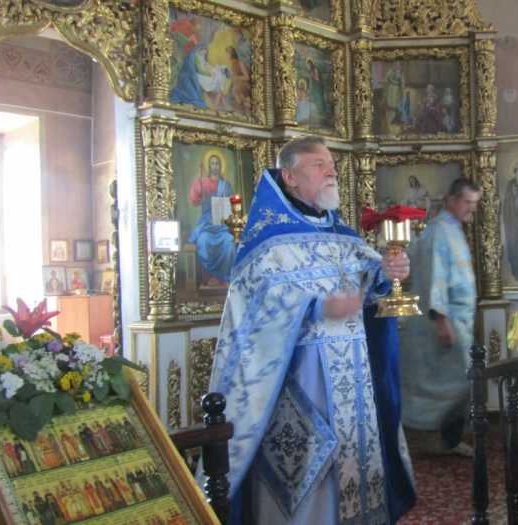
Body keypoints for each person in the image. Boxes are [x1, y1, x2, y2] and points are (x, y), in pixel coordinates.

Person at [201, 136, 416, 524]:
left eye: (332, 164)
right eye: (319, 165)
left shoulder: (342, 236)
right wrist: (316, 307)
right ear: (290, 177)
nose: (332, 171)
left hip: (354, 390)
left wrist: (390, 272)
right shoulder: (267, 244)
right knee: (309, 483)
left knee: (357, 469)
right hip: (299, 391)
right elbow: (255, 311)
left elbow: (374, 282)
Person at [400, 177, 481, 456]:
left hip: (459, 321)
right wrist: (441, 320)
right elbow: (436, 278)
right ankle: (424, 438)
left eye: (475, 203)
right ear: (452, 200)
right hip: (445, 323)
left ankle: (447, 439)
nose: (472, 209)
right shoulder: (438, 232)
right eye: (468, 202)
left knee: (461, 381)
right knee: (450, 383)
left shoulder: (453, 229)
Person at [188, 154, 236, 284]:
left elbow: (232, 205)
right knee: (203, 240)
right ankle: (210, 277)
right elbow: (194, 201)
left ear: (220, 166)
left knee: (229, 241)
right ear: (209, 166)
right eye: (212, 163)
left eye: (217, 163)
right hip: (206, 224)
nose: (215, 166)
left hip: (221, 224)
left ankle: (225, 277)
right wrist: (199, 191)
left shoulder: (225, 185)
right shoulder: (202, 182)